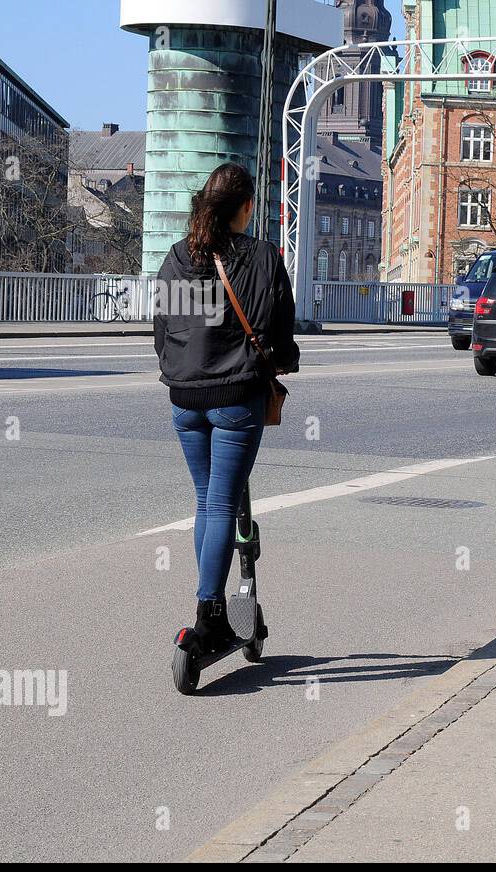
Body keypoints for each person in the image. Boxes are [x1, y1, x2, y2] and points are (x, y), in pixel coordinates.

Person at [155, 162, 300, 652]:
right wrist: (283, 362)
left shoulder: (177, 257)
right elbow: (279, 326)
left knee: (207, 503)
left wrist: (182, 373)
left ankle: (213, 602)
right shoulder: (260, 257)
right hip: (236, 398)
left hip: (185, 399)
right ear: (246, 207)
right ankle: (209, 613)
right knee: (221, 504)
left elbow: (168, 330)